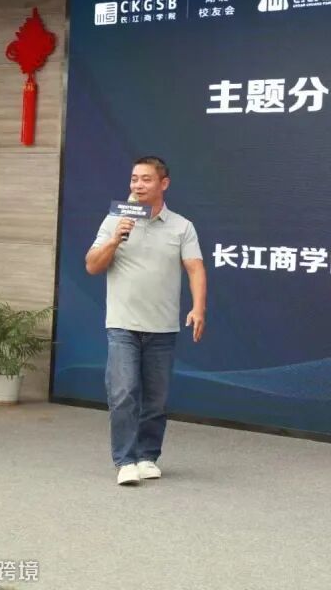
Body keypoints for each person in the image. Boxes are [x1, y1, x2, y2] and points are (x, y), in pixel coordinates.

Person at [84, 156, 207, 486]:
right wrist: (115, 239)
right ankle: (125, 460)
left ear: (163, 184)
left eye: (146, 179)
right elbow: (92, 265)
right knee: (124, 392)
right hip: (122, 324)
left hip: (163, 327)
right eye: (134, 179)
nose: (137, 185)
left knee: (156, 399)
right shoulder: (115, 220)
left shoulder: (181, 226)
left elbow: (195, 268)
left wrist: (198, 308)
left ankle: (147, 456)